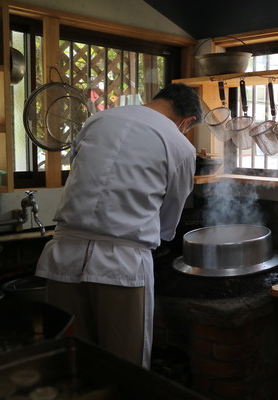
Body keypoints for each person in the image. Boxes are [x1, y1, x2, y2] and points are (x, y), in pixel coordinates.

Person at [35, 83, 203, 369]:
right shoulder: (180, 146)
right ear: (186, 122)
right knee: (123, 367)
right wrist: (158, 235)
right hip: (121, 265)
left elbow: (78, 172)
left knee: (71, 361)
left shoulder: (98, 120)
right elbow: (171, 213)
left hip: (63, 256)